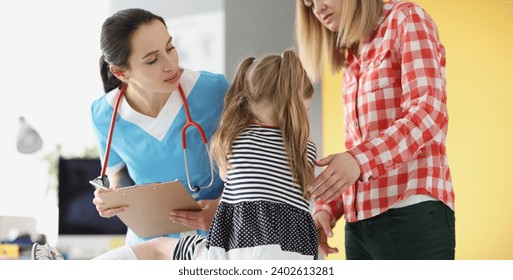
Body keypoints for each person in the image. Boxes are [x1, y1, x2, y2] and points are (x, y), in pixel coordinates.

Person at [32, 49, 319, 260]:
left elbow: (229, 176)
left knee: (157, 248)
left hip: (235, 254)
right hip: (301, 255)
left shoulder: (230, 138)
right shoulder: (307, 148)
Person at [295, 0, 455, 260]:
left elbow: (428, 111)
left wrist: (359, 160)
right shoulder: (352, 55)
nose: (318, 9)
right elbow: (359, 149)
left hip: (410, 212)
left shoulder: (405, 19)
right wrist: (326, 209)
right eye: (310, 4)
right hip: (359, 228)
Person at [92, 8, 229, 245]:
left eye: (170, 48)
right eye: (153, 59)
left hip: (215, 235)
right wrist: (111, 198)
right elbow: (118, 176)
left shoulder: (214, 91)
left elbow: (258, 165)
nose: (171, 65)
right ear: (120, 72)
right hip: (151, 240)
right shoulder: (104, 114)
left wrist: (223, 207)